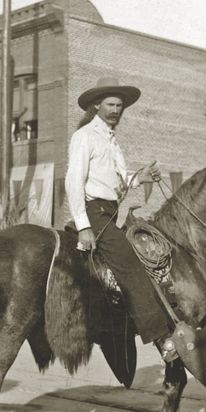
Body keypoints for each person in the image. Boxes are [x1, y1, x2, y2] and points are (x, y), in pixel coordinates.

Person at [65, 77, 170, 344]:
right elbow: (74, 181)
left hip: (110, 211)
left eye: (120, 106)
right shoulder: (85, 136)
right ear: (96, 105)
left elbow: (118, 184)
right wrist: (84, 226)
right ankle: (161, 337)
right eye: (110, 104)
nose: (116, 110)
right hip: (93, 212)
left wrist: (139, 178)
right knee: (130, 262)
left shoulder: (112, 142)